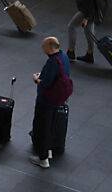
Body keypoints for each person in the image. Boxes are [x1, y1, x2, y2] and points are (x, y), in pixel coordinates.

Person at [30, 36, 72, 169]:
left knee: (43, 126)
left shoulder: (52, 62)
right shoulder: (64, 57)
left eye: (44, 46)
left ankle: (43, 159)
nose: (42, 49)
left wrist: (36, 79)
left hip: (46, 100)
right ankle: (48, 151)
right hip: (58, 98)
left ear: (50, 47)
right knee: (51, 124)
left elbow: (46, 83)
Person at [67, 0, 99, 64]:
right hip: (91, 12)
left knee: (71, 26)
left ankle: (71, 52)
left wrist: (86, 18)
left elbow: (89, 3)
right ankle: (90, 55)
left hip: (86, 12)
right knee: (89, 32)